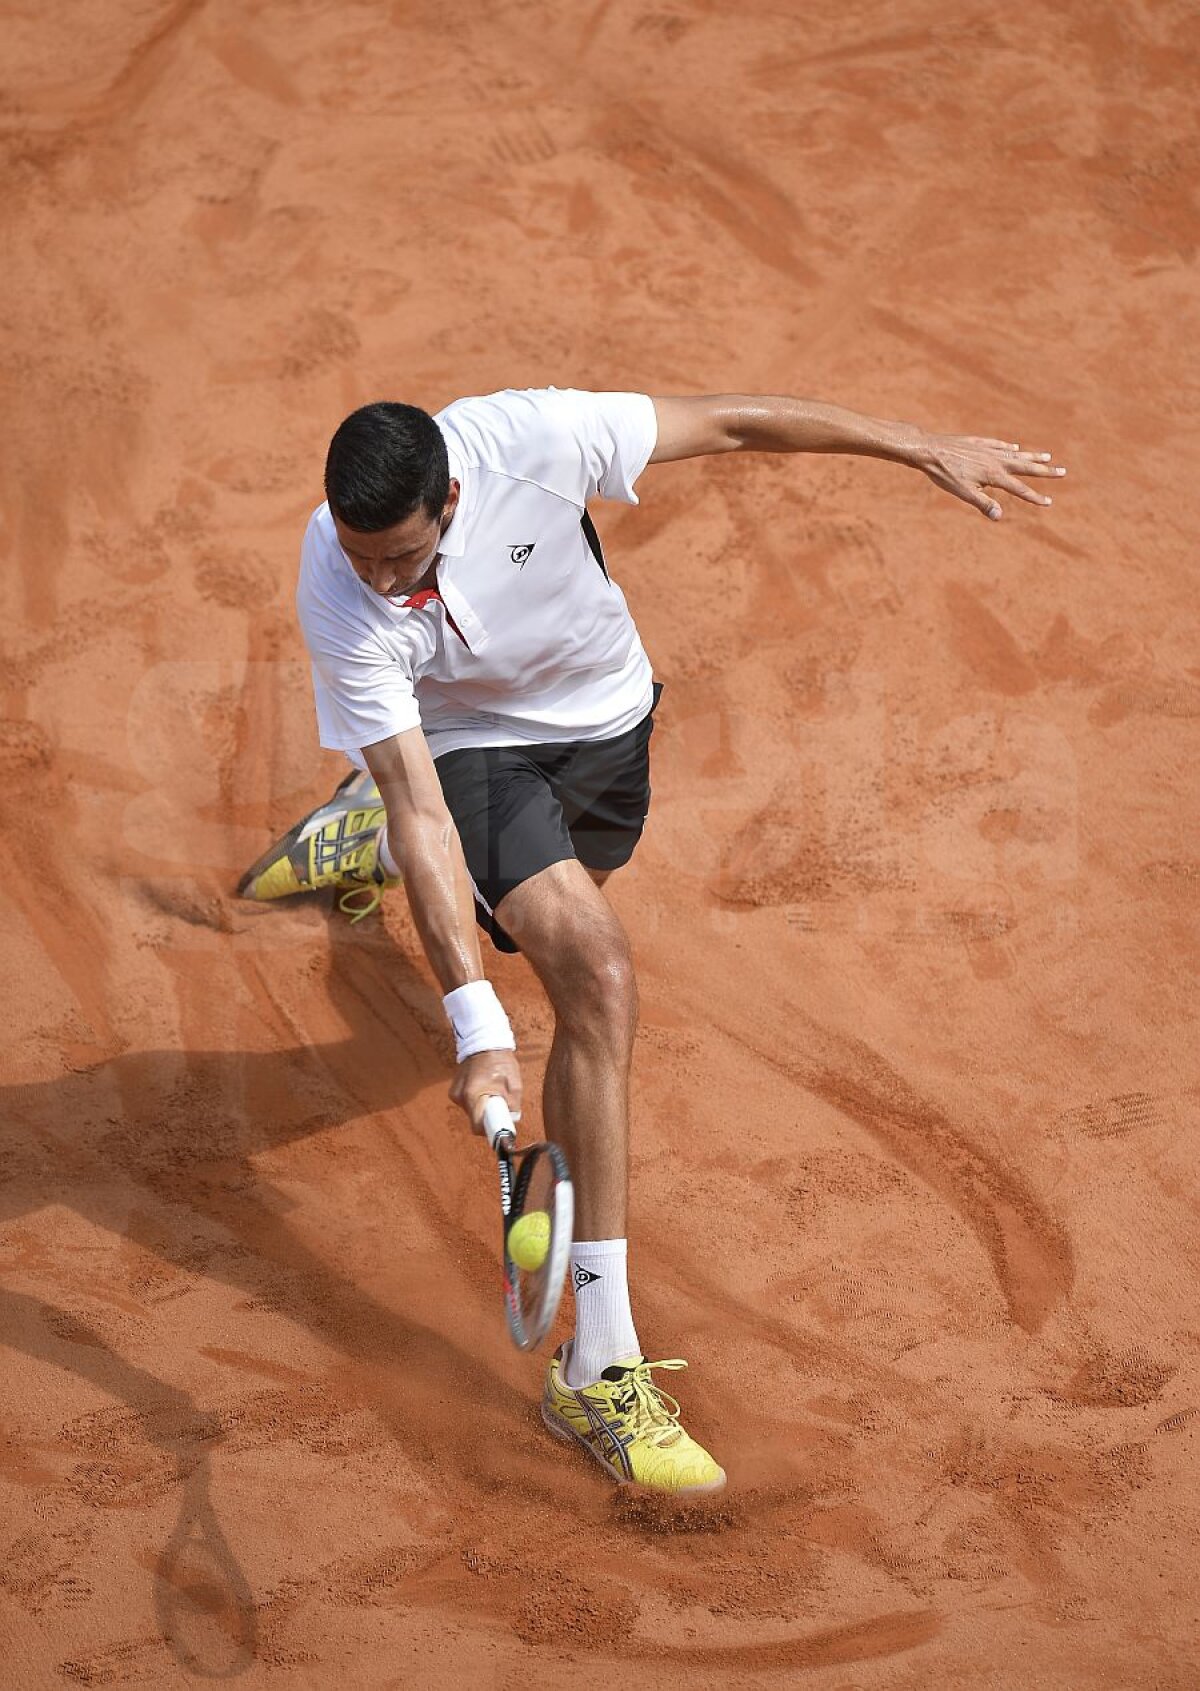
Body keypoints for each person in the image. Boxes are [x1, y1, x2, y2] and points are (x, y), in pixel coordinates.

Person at [239, 387, 1065, 1493]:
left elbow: (730, 424)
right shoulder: (338, 584)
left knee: (521, 898)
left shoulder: (535, 440)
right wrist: (476, 1023)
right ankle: (599, 1365)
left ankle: (364, 831)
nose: (383, 584)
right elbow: (429, 804)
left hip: (607, 729)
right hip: (468, 753)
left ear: (453, 496)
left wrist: (922, 440)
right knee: (596, 972)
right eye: (362, 559)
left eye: (403, 559)